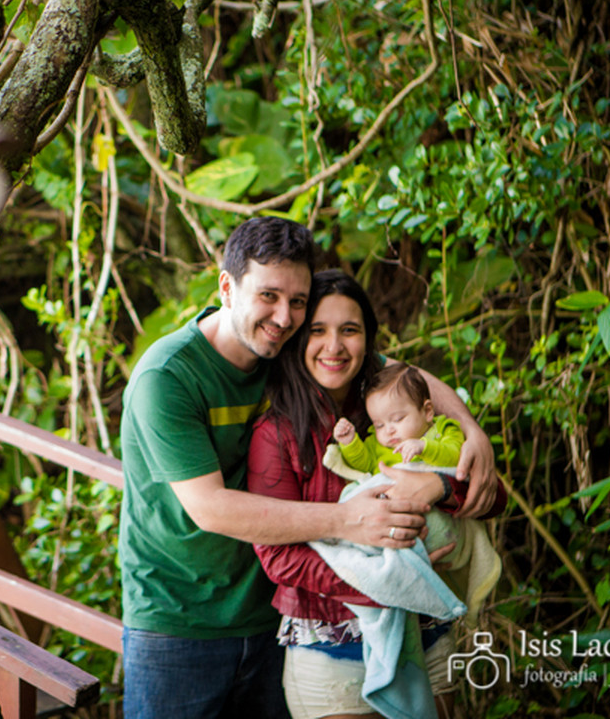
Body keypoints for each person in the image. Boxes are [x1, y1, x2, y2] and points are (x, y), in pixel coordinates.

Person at [119, 218, 498, 719]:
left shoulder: (286, 350)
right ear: (227, 287)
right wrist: (350, 522)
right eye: (268, 296)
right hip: (179, 620)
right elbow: (210, 508)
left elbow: (406, 378)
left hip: (269, 612)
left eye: (297, 301)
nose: (283, 316)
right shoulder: (168, 376)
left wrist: (472, 431)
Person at [246, 270, 507, 719]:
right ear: (298, 339)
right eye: (318, 331)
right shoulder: (276, 434)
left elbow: (493, 498)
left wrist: (440, 486)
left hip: (426, 633)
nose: (334, 346)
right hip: (331, 646)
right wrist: (396, 580)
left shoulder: (396, 411)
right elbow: (278, 557)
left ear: (369, 342)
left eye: (350, 330)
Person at [334, 363, 464, 473]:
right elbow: (364, 464)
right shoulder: (377, 445)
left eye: (398, 419)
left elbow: (455, 457)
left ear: (427, 411)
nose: (388, 431)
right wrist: (349, 442)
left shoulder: (444, 430)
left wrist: (425, 448)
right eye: (379, 425)